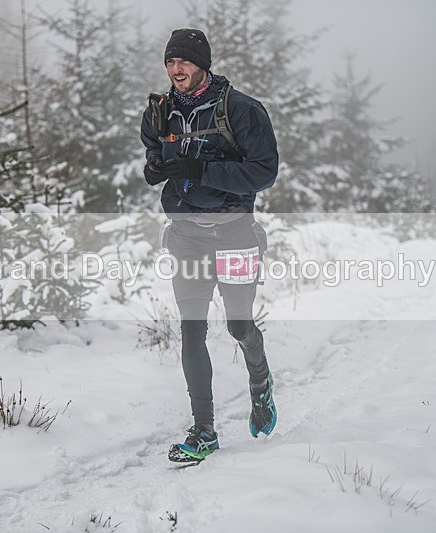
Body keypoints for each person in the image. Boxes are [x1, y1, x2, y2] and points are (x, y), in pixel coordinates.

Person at [140, 28, 279, 462]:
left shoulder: (241, 110)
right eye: (170, 62)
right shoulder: (159, 111)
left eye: (183, 61)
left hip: (235, 233)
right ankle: (204, 432)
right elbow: (155, 154)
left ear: (203, 64)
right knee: (192, 329)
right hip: (187, 237)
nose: (175, 69)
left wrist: (198, 170)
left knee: (239, 326)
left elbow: (263, 173)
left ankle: (261, 386)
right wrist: (156, 168)